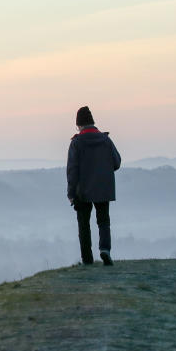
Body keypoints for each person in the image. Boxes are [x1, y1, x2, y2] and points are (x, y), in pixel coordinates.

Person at [67, 106, 121, 265]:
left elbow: (72, 171)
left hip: (82, 191)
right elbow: (116, 162)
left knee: (83, 224)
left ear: (79, 125)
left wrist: (71, 193)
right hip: (103, 188)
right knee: (103, 221)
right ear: (92, 122)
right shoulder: (105, 140)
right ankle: (105, 249)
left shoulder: (76, 143)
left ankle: (87, 259)